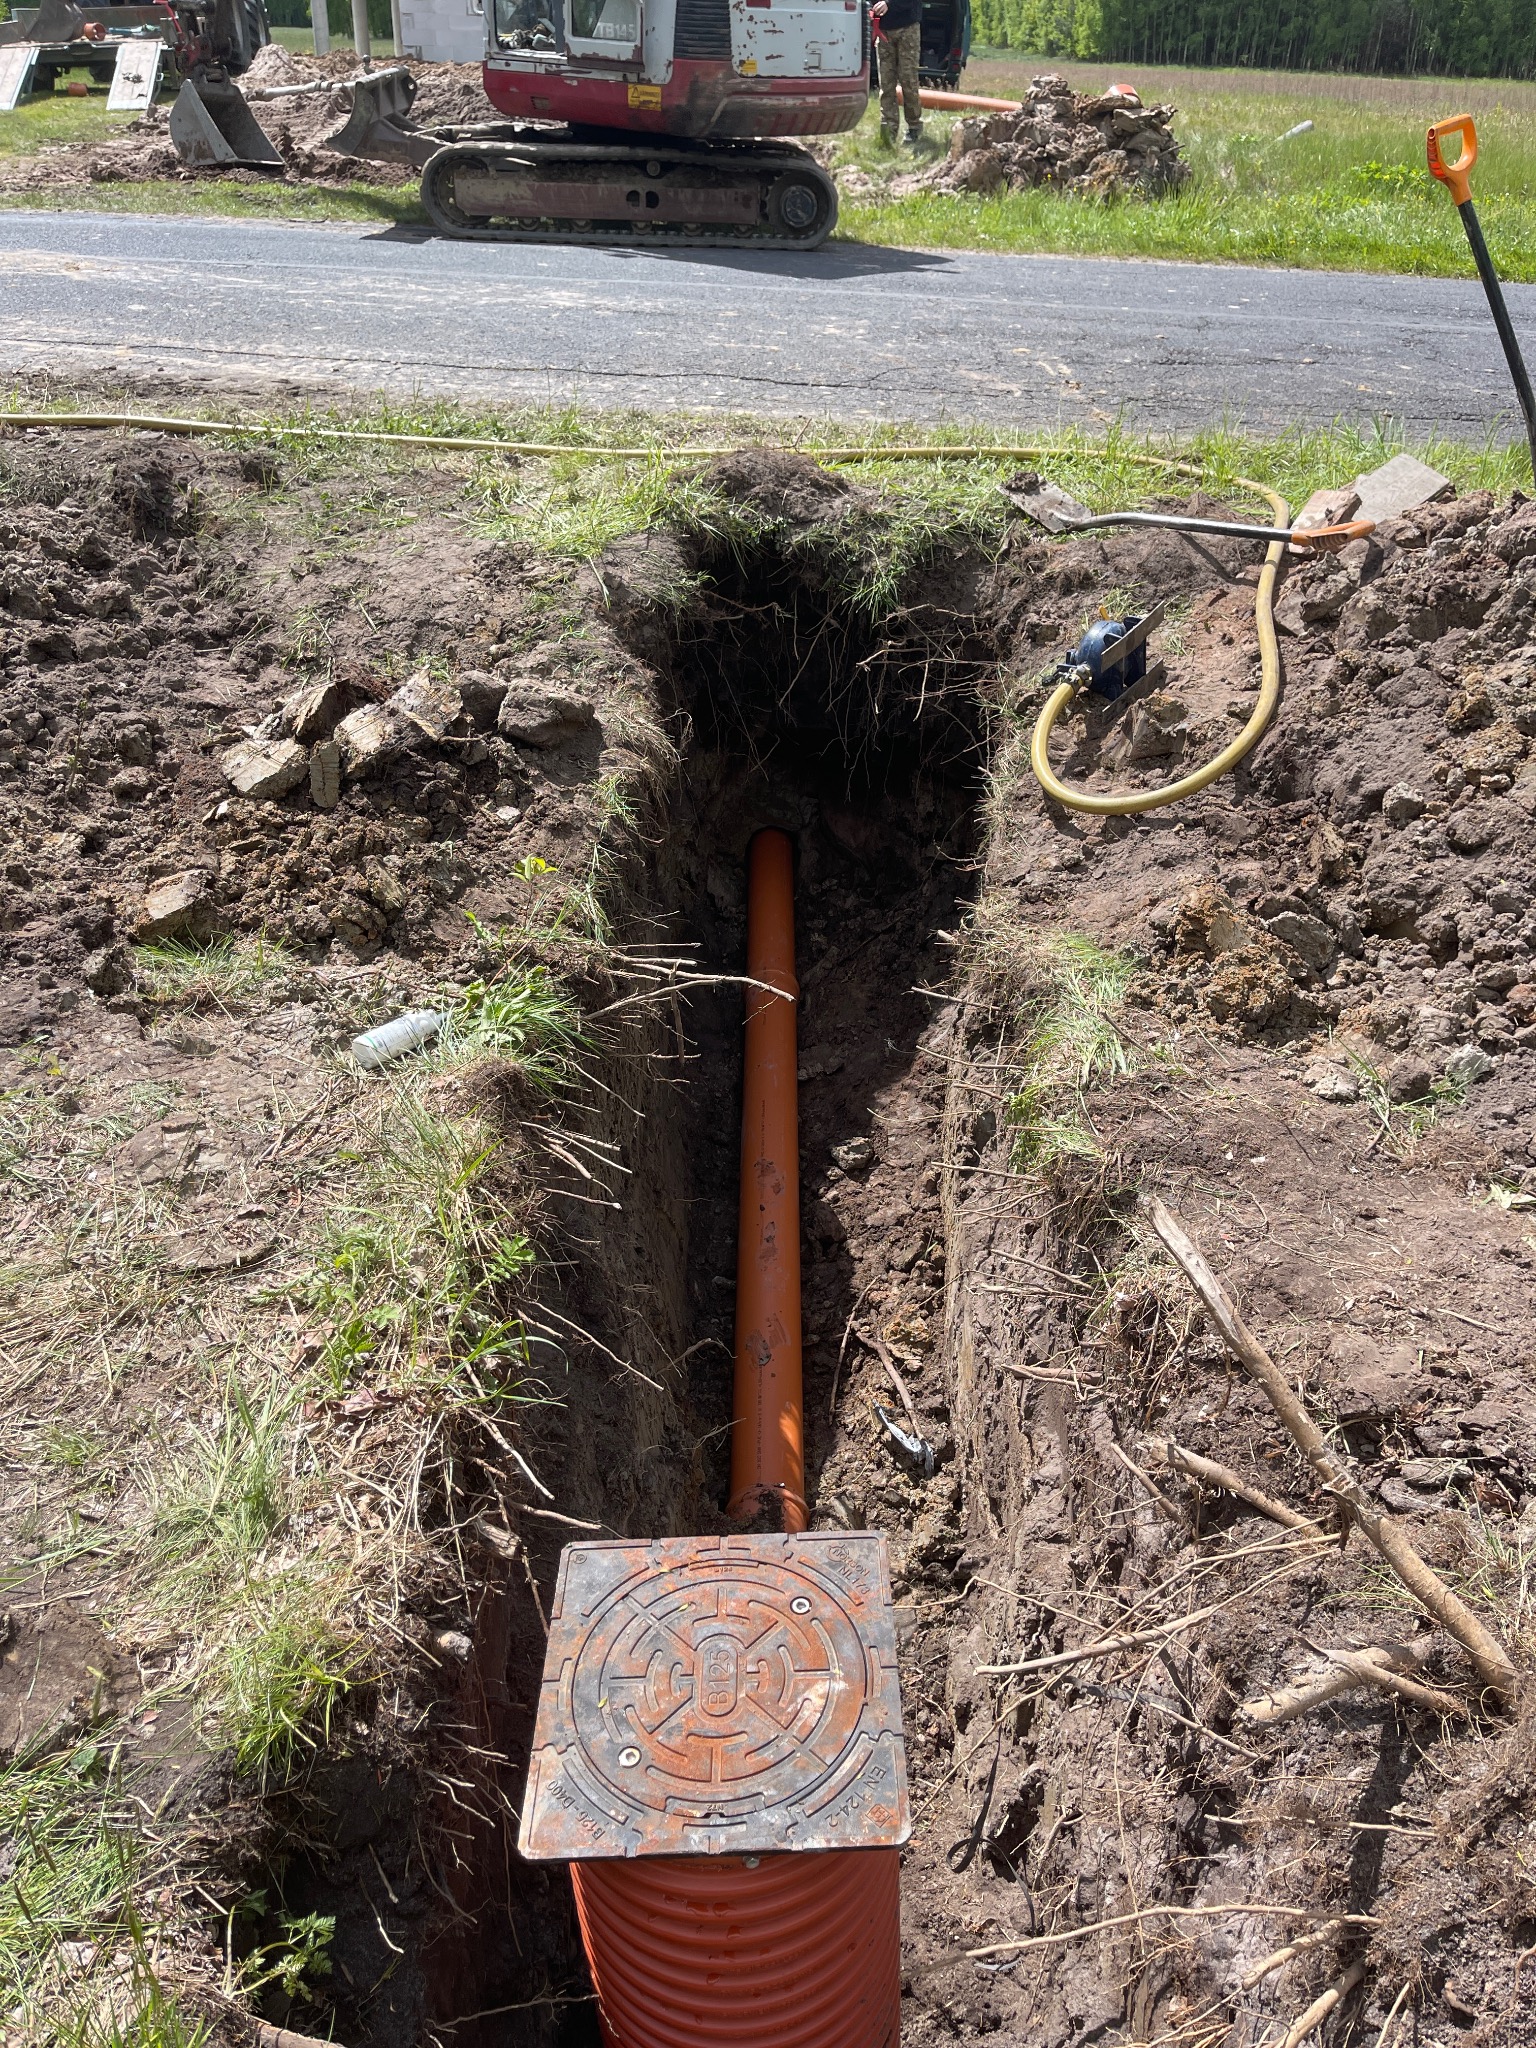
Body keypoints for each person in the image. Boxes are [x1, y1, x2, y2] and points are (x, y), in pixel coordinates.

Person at [871, 0, 923, 149]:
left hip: (907, 28)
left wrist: (889, 4)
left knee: (908, 80)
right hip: (883, 29)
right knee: (886, 83)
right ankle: (888, 129)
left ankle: (914, 127)